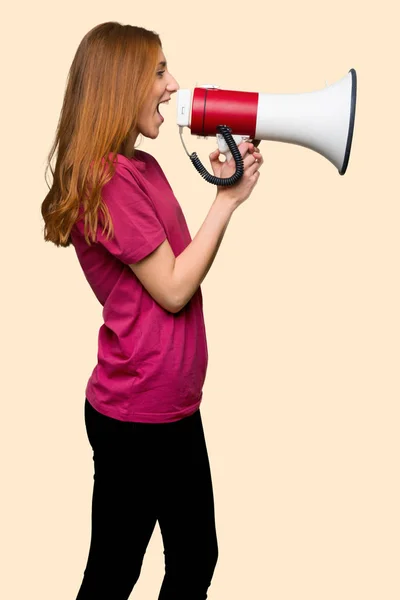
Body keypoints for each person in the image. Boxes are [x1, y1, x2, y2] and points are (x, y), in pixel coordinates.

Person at [41, 21, 263, 600]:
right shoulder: (106, 178)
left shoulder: (142, 168)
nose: (173, 85)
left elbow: (175, 266)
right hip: (136, 417)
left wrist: (224, 186)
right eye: (159, 70)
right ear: (120, 85)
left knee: (194, 556)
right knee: (117, 573)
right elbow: (171, 289)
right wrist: (227, 201)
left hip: (169, 408)